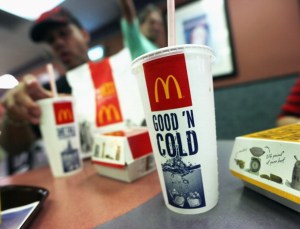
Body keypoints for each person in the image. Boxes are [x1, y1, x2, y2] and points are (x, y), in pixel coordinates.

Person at [0, 7, 91, 174]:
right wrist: (14, 116)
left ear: (84, 35)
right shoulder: (46, 93)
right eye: (50, 40)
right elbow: (13, 147)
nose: (57, 43)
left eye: (64, 33)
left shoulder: (117, 73)